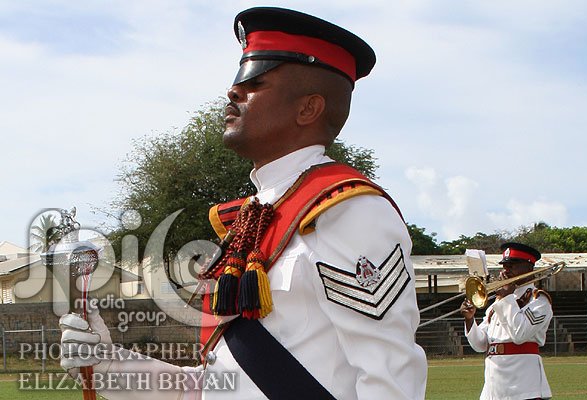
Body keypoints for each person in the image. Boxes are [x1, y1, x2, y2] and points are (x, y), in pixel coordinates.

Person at [59, 7, 427, 399]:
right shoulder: (252, 219)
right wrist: (107, 364)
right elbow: (214, 388)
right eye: (238, 84)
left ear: (308, 108)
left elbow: (391, 380)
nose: (233, 93)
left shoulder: (348, 210)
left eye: (256, 83)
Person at [460, 242, 553, 400]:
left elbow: (520, 334)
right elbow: (480, 345)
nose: (506, 270)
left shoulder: (538, 300)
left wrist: (506, 298)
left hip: (524, 386)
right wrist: (469, 320)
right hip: (493, 388)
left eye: (513, 265)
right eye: (504, 265)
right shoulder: (498, 303)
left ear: (529, 267)